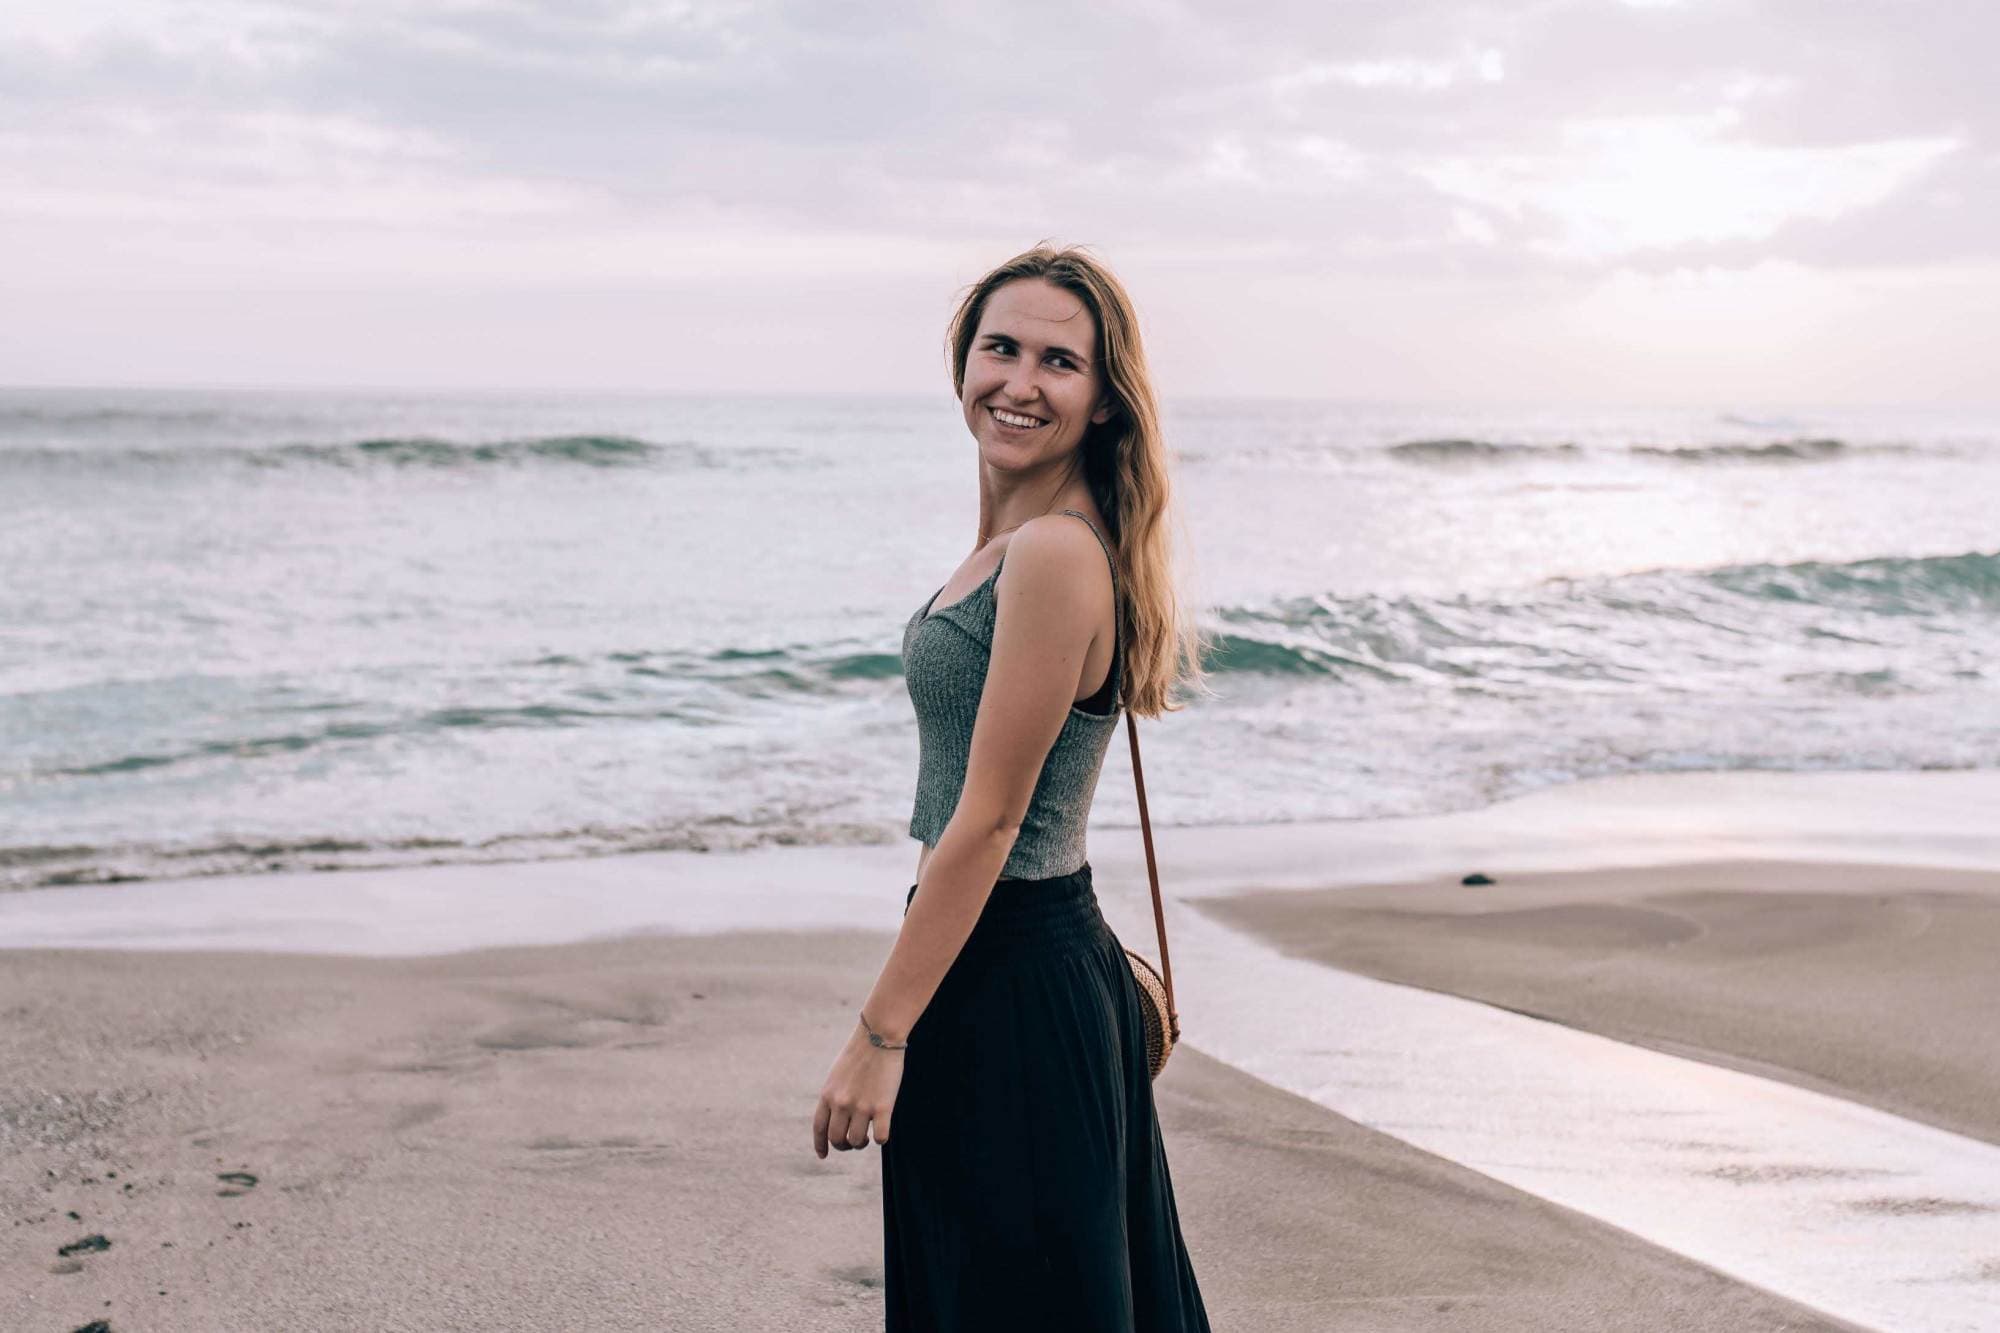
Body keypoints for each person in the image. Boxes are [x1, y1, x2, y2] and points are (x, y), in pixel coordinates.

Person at [811, 242, 1214, 1331]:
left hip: (1014, 973)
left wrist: (877, 1035)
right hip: (987, 960)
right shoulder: (1013, 545)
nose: (1019, 381)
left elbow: (987, 822)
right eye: (999, 347)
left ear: (1101, 402)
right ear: (961, 364)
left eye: (1058, 361)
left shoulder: (1054, 554)